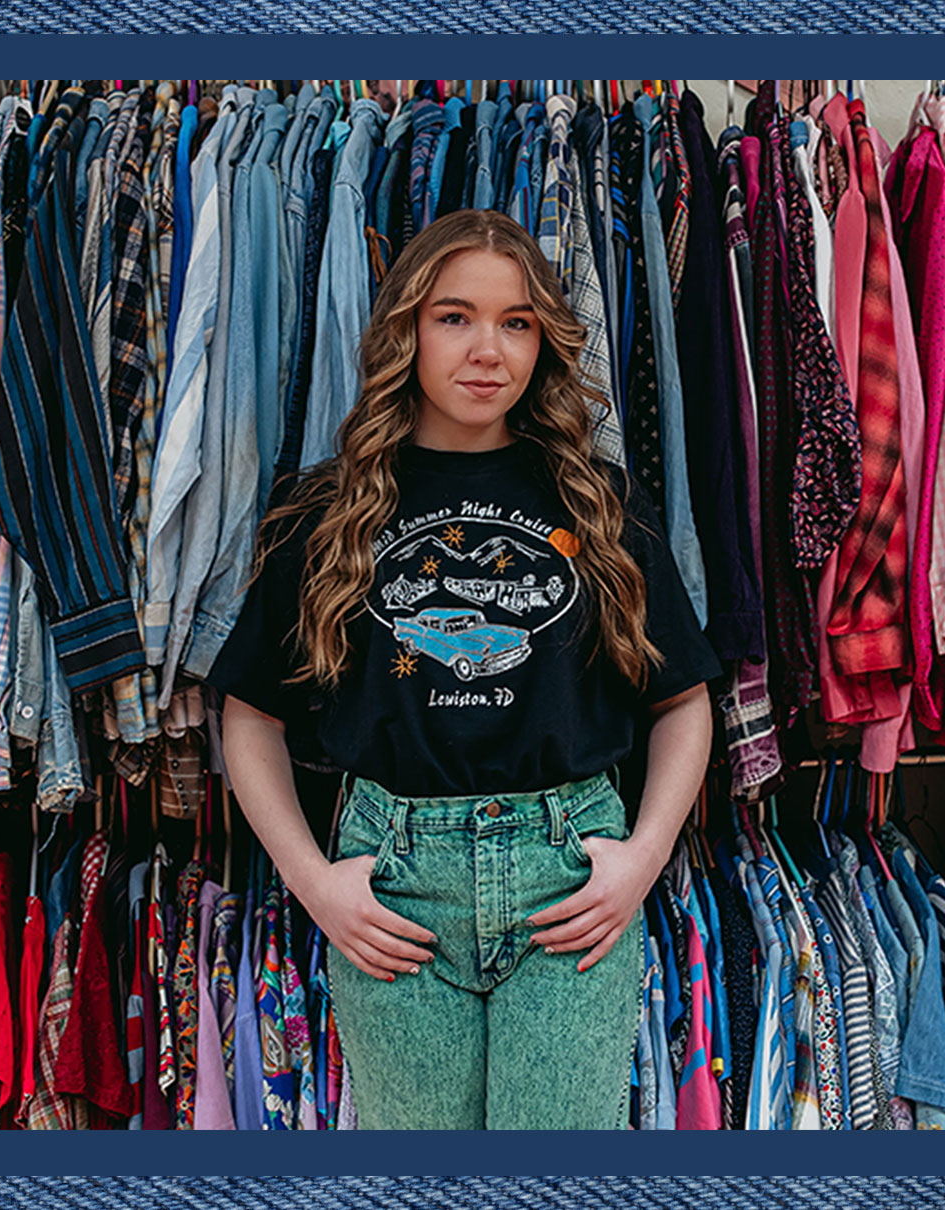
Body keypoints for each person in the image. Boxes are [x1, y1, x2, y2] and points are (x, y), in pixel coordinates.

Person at [207, 207, 718, 1130]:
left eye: (516, 322)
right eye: (455, 317)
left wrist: (644, 859)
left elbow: (684, 700)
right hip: (396, 880)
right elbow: (248, 713)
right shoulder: (328, 509)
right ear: (405, 329)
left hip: (568, 876)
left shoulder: (596, 501)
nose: (488, 349)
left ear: (545, 343)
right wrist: (314, 884)